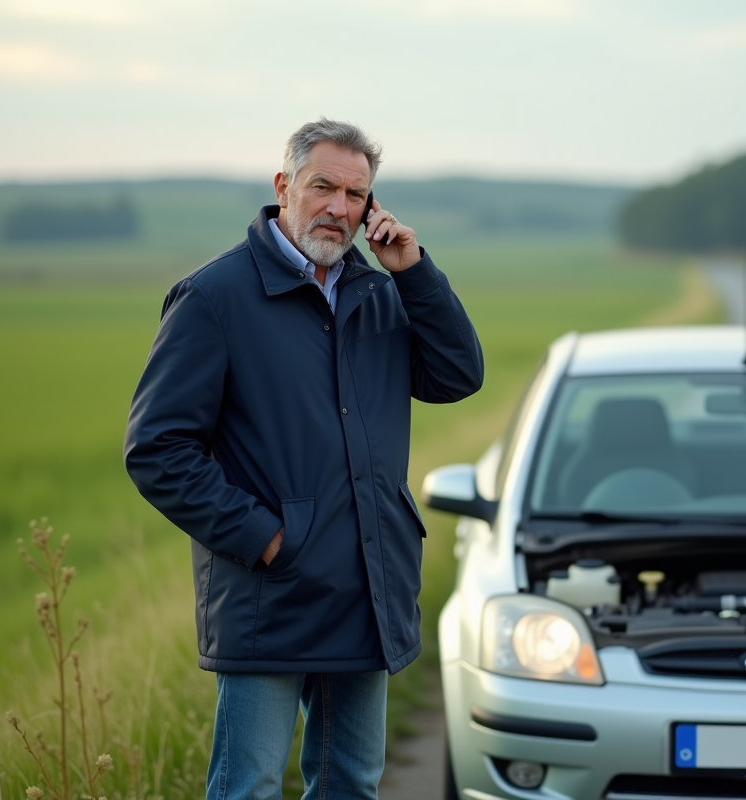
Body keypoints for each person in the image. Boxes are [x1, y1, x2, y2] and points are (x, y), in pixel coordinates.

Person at [123, 117, 483, 800]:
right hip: (273, 595)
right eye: (324, 188)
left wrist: (415, 272)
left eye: (356, 196)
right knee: (249, 786)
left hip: (365, 589)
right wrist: (265, 539)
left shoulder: (379, 293)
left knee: (351, 783)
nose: (338, 209)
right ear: (285, 186)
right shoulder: (215, 298)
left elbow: (458, 375)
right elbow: (157, 449)